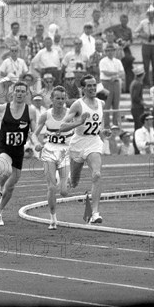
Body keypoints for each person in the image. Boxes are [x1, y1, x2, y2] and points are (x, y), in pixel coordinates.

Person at [0, 81, 38, 227]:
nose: (19, 94)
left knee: (11, 186)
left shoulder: (30, 111)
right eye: (17, 91)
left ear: (26, 94)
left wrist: (37, 143)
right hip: (4, 147)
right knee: (6, 171)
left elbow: (34, 132)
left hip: (18, 150)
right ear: (12, 93)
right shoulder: (2, 108)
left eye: (22, 91)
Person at [57, 75, 110, 224]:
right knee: (73, 183)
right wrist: (79, 121)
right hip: (78, 144)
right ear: (83, 89)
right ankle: (66, 178)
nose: (92, 88)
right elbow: (62, 127)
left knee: (97, 174)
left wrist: (104, 132)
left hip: (93, 143)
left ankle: (95, 213)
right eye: (89, 86)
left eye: (94, 85)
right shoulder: (77, 105)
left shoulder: (101, 103)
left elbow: (100, 127)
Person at [33, 86, 72, 230]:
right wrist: (37, 143)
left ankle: (66, 180)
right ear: (52, 99)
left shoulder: (70, 114)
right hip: (49, 151)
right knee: (51, 187)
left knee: (63, 191)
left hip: (65, 152)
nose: (60, 101)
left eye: (63, 98)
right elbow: (34, 134)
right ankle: (53, 217)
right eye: (57, 98)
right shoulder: (46, 115)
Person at [135, 5, 154, 87]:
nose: (151, 15)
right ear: (147, 14)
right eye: (149, 14)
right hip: (146, 45)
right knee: (146, 65)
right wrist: (144, 35)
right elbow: (136, 32)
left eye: (153, 14)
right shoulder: (143, 22)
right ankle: (146, 83)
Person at [99, 43, 124, 128]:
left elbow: (122, 73)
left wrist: (116, 76)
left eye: (112, 50)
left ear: (114, 51)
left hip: (116, 82)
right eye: (108, 51)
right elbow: (105, 72)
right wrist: (116, 73)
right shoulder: (103, 61)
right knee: (107, 104)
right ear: (106, 52)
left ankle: (115, 124)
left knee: (116, 104)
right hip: (106, 83)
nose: (110, 52)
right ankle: (106, 125)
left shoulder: (118, 61)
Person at [129, 65, 146, 130]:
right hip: (137, 108)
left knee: (137, 127)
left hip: (135, 108)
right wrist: (144, 103)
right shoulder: (138, 84)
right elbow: (135, 98)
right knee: (139, 127)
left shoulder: (133, 83)